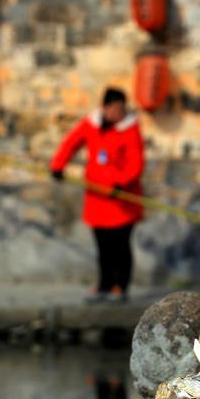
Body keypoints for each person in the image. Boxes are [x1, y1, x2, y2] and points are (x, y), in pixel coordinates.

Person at [50, 87, 145, 302]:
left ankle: (120, 287)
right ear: (105, 108)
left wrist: (121, 184)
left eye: (121, 109)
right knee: (103, 247)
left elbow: (135, 163)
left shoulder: (131, 129)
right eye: (114, 108)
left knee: (121, 246)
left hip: (121, 199)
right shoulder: (91, 124)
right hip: (97, 199)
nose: (117, 113)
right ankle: (104, 285)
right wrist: (58, 165)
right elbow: (71, 143)